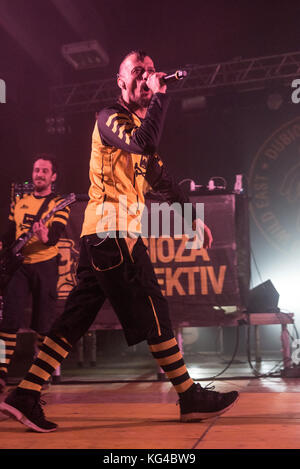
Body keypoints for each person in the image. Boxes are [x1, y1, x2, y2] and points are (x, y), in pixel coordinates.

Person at [0, 51, 238, 432]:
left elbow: (164, 179)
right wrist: (161, 96)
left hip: (109, 238)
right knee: (154, 308)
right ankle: (189, 395)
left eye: (149, 72)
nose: (145, 78)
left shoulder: (140, 134)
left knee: (75, 319)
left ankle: (25, 394)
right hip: (111, 235)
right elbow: (144, 143)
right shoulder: (109, 117)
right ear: (121, 81)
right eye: (137, 72)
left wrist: (192, 217)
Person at [0, 154, 70, 393]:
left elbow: (56, 235)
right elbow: (8, 235)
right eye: (36, 169)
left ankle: (39, 377)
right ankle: (0, 374)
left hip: (45, 266)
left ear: (53, 176)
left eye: (44, 171)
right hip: (19, 268)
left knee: (44, 325)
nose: (39, 174)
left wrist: (44, 236)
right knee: (7, 323)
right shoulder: (19, 203)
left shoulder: (59, 204)